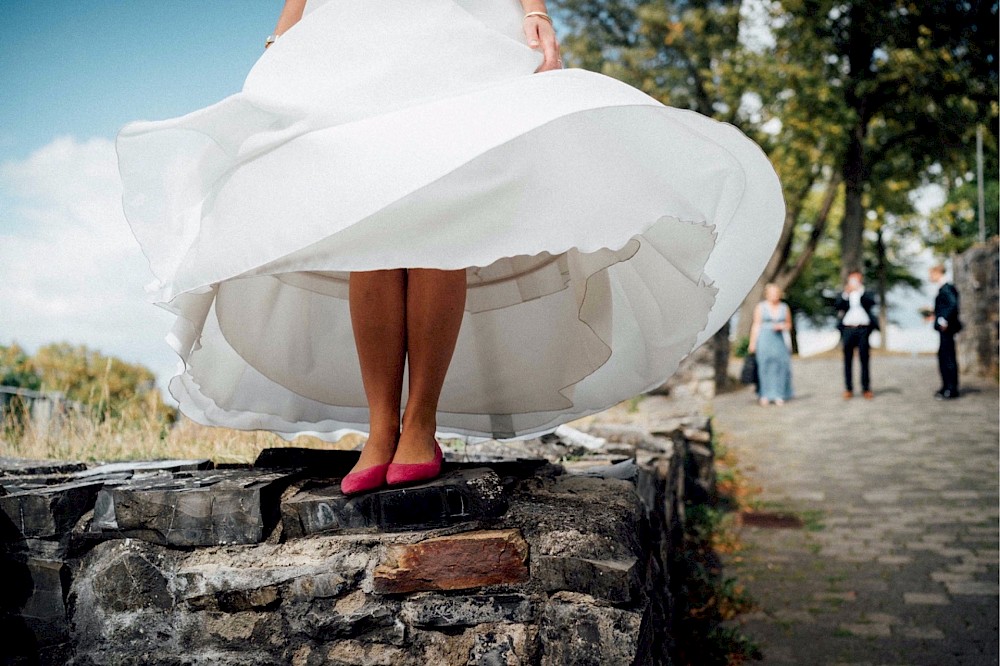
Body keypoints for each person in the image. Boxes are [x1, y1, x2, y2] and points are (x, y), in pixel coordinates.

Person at [115, 0, 785, 497]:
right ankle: (380, 427)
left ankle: (420, 422)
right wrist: (287, 30)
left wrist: (533, 9)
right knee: (364, 223)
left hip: (458, 23)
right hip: (357, 28)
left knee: (449, 215)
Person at [834, 270, 879, 399]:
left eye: (856, 280)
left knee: (864, 359)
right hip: (848, 329)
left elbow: (871, 302)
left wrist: (859, 291)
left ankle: (866, 388)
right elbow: (837, 305)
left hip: (863, 329)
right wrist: (846, 293)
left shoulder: (867, 293)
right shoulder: (844, 294)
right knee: (847, 360)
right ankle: (848, 388)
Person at [748, 283, 794, 406]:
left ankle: (779, 393)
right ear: (767, 294)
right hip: (764, 339)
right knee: (764, 366)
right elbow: (756, 325)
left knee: (781, 366)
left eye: (776, 293)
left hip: (779, 340)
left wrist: (782, 326)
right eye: (772, 293)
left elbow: (789, 324)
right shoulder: (760, 307)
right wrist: (752, 343)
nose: (774, 296)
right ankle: (765, 394)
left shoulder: (784, 307)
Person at [926, 264, 962, 399]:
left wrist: (943, 320)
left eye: (931, 274)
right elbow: (945, 306)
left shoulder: (947, 287)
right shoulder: (944, 287)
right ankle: (946, 386)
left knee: (948, 358)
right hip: (945, 328)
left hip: (947, 329)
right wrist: (934, 315)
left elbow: (953, 304)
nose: (930, 277)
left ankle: (951, 388)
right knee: (943, 357)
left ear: (937, 272)